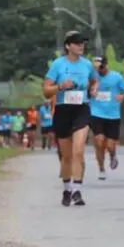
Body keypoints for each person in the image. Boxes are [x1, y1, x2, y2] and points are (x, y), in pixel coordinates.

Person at [43, 30, 98, 206]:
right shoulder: (58, 65)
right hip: (63, 110)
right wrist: (60, 86)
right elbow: (46, 91)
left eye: (82, 42)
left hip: (81, 109)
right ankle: (67, 189)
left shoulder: (87, 65)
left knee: (79, 151)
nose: (81, 45)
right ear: (68, 46)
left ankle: (77, 190)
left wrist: (94, 89)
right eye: (76, 42)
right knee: (66, 156)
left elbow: (95, 81)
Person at [90, 56, 124, 180]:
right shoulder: (92, 78)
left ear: (106, 65)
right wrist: (91, 91)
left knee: (110, 145)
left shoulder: (116, 77)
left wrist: (123, 96)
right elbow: (84, 90)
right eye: (97, 68)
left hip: (113, 115)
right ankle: (101, 168)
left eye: (101, 67)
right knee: (99, 141)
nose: (100, 70)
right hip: (96, 113)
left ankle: (112, 155)